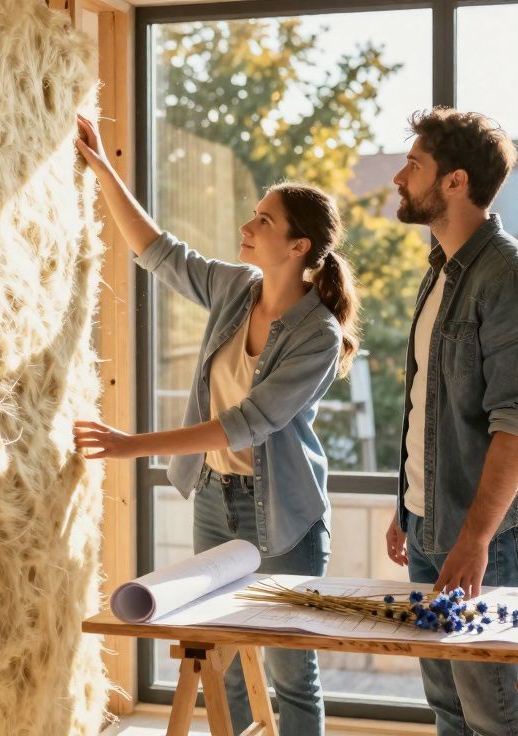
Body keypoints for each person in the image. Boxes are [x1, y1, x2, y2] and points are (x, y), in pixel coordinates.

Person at [70, 113, 360, 735]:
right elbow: (159, 254)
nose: (247, 225)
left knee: (291, 673)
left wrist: (131, 445)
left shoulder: (318, 334)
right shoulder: (236, 287)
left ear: (299, 246)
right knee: (221, 661)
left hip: (284, 515)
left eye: (264, 220)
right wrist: (102, 169)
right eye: (253, 214)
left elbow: (244, 425)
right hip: (214, 500)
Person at [386, 107, 518, 735]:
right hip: (430, 521)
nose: (398, 177)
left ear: (455, 182)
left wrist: (475, 540)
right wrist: (405, 503)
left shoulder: (510, 276)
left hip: (481, 535)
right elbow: (426, 406)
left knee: (489, 710)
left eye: (414, 165)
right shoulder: (439, 273)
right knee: (448, 705)